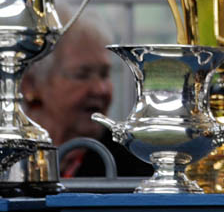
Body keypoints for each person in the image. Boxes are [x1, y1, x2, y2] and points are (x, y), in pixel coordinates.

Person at [20, 16, 150, 178]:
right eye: (82, 75)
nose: (100, 89)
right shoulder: (9, 156)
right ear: (31, 85)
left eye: (104, 74)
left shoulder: (133, 166)